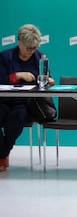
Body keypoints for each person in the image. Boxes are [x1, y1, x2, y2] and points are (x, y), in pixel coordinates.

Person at [0, 24, 55, 171]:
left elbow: (47, 78)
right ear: (19, 43)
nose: (30, 52)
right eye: (27, 48)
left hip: (26, 104)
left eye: (33, 48)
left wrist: (49, 80)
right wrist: (16, 76)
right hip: (4, 101)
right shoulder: (5, 57)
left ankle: (2, 154)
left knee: (17, 117)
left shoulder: (40, 57)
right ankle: (2, 154)